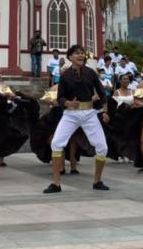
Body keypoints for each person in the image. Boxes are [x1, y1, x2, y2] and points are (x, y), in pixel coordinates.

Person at [43, 45, 110, 194]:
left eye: (82, 53)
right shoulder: (65, 76)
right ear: (70, 57)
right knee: (56, 143)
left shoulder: (91, 73)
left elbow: (102, 93)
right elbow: (60, 97)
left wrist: (105, 112)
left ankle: (97, 181)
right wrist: (68, 103)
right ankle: (56, 183)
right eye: (77, 53)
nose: (80, 55)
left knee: (102, 147)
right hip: (70, 114)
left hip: (89, 113)